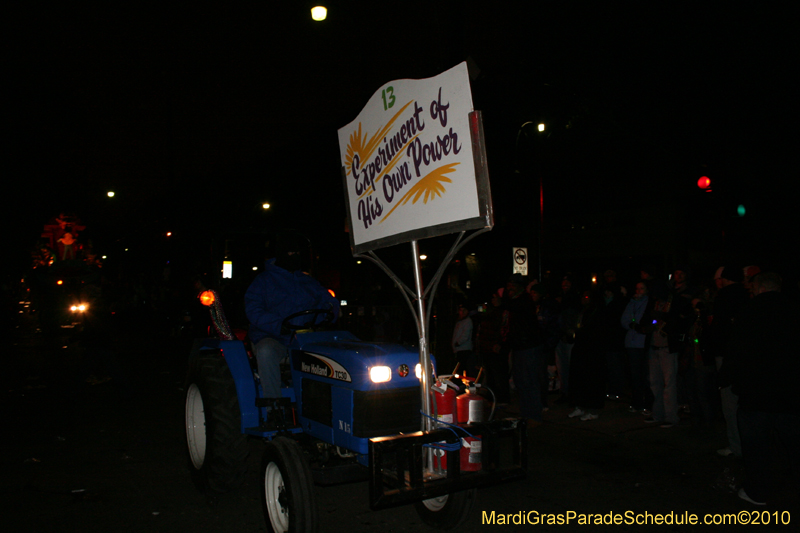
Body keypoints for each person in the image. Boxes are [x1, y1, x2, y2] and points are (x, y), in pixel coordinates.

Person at [724, 272, 800, 505]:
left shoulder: (750, 311)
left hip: (756, 391)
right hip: (791, 391)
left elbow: (737, 348)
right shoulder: (794, 309)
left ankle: (758, 491)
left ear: (758, 288)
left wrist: (729, 377)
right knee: (794, 440)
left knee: (756, 445)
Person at [245, 233, 340, 399]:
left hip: (305, 339)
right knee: (266, 351)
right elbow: (253, 310)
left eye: (296, 254)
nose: (293, 257)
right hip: (275, 338)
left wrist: (328, 315)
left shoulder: (308, 282)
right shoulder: (263, 281)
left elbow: (329, 303)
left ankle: (323, 404)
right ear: (280, 255)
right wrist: (278, 325)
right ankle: (273, 404)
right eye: (289, 254)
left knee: (335, 351)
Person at [705, 266, 749, 457]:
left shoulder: (724, 297)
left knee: (730, 401)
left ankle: (737, 446)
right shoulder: (747, 296)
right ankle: (748, 445)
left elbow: (718, 326)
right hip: (745, 354)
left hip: (726, 353)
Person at [502, 274, 546, 424]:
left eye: (512, 285)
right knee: (521, 380)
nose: (509, 289)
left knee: (529, 380)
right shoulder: (517, 300)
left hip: (528, 346)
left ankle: (533, 414)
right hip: (520, 346)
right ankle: (526, 412)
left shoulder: (524, 300)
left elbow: (509, 306)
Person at [621, 281, 653, 414]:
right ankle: (636, 402)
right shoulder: (631, 303)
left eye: (642, 289)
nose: (639, 291)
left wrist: (636, 325)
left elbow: (645, 321)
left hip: (643, 343)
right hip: (631, 343)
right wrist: (633, 325)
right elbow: (624, 320)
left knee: (646, 374)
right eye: (637, 288)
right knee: (635, 375)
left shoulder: (648, 303)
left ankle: (648, 403)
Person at [452, 302, 476, 378]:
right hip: (459, 349)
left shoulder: (468, 321)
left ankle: (466, 384)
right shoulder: (460, 321)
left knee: (463, 368)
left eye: (464, 310)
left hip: (464, 349)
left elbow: (466, 334)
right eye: (460, 310)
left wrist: (458, 342)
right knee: (461, 369)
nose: (462, 312)